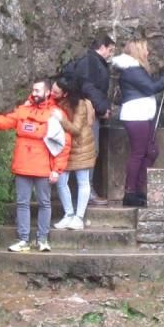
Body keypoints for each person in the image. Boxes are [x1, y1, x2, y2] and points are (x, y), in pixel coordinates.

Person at [0, 78, 71, 251]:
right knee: (22, 203)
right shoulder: (23, 110)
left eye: (38, 90)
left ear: (47, 92)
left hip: (43, 167)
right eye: (33, 90)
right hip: (22, 165)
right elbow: (6, 121)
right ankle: (23, 240)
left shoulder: (55, 114)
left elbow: (63, 144)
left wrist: (57, 170)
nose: (34, 93)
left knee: (44, 203)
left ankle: (42, 239)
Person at [111, 39, 164, 206]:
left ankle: (138, 189)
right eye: (145, 49)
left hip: (142, 115)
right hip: (136, 115)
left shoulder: (135, 69)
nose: (148, 52)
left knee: (150, 152)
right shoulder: (132, 70)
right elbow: (151, 88)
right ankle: (130, 192)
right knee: (139, 153)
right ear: (139, 52)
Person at [73, 35, 115, 206]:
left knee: (90, 150)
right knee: (90, 150)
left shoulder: (92, 61)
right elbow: (88, 87)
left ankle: (86, 189)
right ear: (102, 47)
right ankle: (86, 190)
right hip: (87, 113)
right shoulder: (91, 62)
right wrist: (102, 107)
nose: (110, 55)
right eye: (110, 50)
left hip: (90, 111)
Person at [51, 76, 96, 230]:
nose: (52, 93)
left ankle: (79, 217)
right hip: (64, 146)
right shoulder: (56, 102)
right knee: (61, 181)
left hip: (81, 146)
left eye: (55, 91)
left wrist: (61, 119)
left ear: (65, 93)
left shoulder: (80, 104)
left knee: (82, 181)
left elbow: (76, 129)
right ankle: (68, 214)